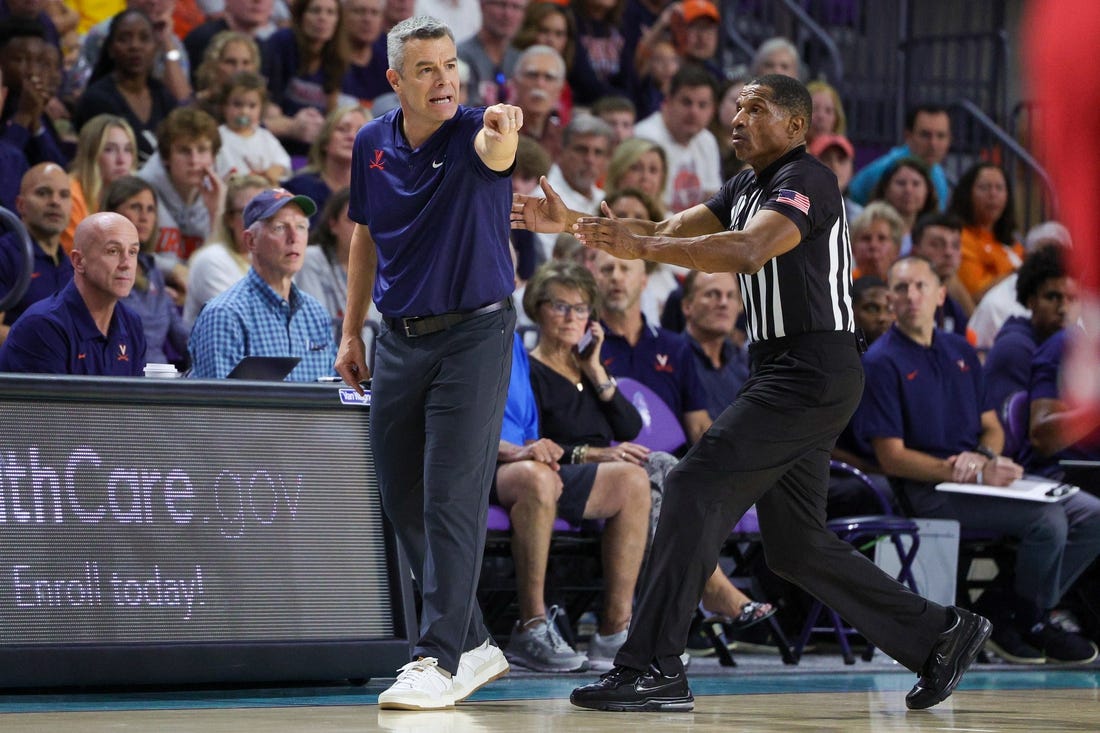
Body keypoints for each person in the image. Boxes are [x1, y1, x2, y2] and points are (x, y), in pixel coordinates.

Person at [513, 73, 988, 712]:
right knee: (794, 547)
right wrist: (574, 222)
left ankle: (652, 665)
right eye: (737, 105)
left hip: (813, 369)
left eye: (756, 107)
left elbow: (746, 250)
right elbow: (666, 229)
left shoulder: (809, 179)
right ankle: (942, 632)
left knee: (689, 484)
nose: (738, 115)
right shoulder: (743, 185)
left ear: (795, 126)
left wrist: (649, 242)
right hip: (782, 370)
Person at [334, 15, 522, 710]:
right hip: (398, 338)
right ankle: (472, 642)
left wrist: (504, 130)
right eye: (426, 70)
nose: (444, 80)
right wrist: (351, 333)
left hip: (475, 334)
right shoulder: (371, 143)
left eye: (450, 66)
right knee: (401, 497)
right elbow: (365, 235)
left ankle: (435, 657)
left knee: (450, 495)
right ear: (396, 81)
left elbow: (497, 151)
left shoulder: (476, 133)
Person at [854, 255, 1100, 666]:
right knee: (1049, 521)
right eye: (901, 288)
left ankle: (1006, 609)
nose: (911, 296)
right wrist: (958, 468)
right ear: (891, 300)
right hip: (928, 490)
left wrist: (985, 457)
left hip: (974, 478)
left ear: (940, 295)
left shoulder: (961, 350)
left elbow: (992, 427)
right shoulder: (880, 362)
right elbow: (890, 457)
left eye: (919, 286)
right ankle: (1027, 619)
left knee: (1091, 514)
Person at [496, 260, 650, 673]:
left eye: (580, 309)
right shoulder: (525, 361)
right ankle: (532, 625)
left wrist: (595, 367)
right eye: (560, 306)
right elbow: (526, 435)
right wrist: (583, 454)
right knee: (654, 478)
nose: (571, 317)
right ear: (538, 308)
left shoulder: (569, 359)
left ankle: (616, 631)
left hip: (556, 464)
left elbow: (631, 427)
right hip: (522, 465)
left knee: (652, 476)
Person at [188, 187, 336, 380]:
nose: (294, 237)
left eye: (301, 226)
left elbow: (333, 390)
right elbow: (218, 405)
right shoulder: (224, 315)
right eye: (280, 227)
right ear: (251, 241)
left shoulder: (316, 314)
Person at [0, 211, 146, 374]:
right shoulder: (42, 327)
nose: (127, 264)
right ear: (78, 261)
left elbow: (136, 399)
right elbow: (47, 400)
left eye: (132, 252)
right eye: (113, 251)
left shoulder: (132, 323)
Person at [102, 175, 190, 365]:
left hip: (162, 378)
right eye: (135, 207)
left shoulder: (151, 269)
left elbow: (181, 334)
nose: (144, 217)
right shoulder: (101, 269)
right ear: (112, 212)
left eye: (150, 210)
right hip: (122, 375)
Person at [73, 9, 179, 163]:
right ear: (110, 49)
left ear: (155, 47)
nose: (135, 46)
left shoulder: (162, 95)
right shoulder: (96, 99)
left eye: (144, 38)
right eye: (124, 38)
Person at [983, 245, 1075, 422]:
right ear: (1031, 301)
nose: (1064, 309)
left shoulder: (1074, 344)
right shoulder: (1014, 349)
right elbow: (1009, 438)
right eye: (1053, 297)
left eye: (1072, 298)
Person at [138, 106, 224, 262]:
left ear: (213, 157)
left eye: (202, 150)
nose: (194, 160)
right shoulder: (141, 189)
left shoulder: (221, 189)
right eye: (184, 151)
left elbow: (225, 260)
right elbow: (132, 254)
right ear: (166, 156)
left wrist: (216, 212)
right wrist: (173, 271)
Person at [0, 162, 73, 343]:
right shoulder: (5, 254)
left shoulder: (72, 265)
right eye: (43, 193)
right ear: (21, 204)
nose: (55, 201)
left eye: (64, 195)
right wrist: (43, 347)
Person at [969, 221, 1071, 351]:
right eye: (1052, 297)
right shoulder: (996, 304)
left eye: (1062, 255)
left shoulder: (1084, 300)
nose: (1052, 262)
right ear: (1026, 256)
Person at [634, 63, 721, 214]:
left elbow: (712, 198)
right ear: (667, 103)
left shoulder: (707, 140)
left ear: (712, 111)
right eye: (686, 102)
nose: (694, 112)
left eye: (702, 105)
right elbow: (649, 206)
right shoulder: (645, 138)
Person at [184, 173, 266, 324]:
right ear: (229, 219)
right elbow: (240, 323)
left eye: (265, 212)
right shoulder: (212, 261)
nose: (257, 222)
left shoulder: (277, 260)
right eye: (247, 212)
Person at [848, 103, 952, 209]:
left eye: (941, 136)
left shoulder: (938, 173)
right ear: (908, 136)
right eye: (925, 135)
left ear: (950, 139)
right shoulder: (886, 170)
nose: (933, 144)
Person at [282, 104, 368, 228]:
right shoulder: (299, 187)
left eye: (360, 132)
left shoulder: (376, 192)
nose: (351, 136)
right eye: (342, 129)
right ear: (325, 142)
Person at [61, 114, 137, 253]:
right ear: (91, 154)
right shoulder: (69, 194)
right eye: (109, 149)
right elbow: (81, 256)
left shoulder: (133, 198)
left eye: (127, 150)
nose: (121, 160)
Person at [948, 162, 1023, 302]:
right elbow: (974, 295)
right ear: (967, 193)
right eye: (984, 188)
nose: (993, 194)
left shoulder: (1012, 242)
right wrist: (1018, 274)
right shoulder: (960, 238)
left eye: (999, 188)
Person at [680, 270, 749, 420]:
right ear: (687, 306)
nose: (723, 303)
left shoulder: (747, 361)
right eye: (712, 294)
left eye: (730, 296)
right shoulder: (671, 360)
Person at [213, 70, 292, 184]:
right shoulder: (218, 137)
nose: (244, 112)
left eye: (252, 106)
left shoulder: (265, 137)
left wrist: (274, 171)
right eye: (237, 104)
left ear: (261, 108)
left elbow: (283, 163)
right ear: (224, 105)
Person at [457, 0, 526, 106]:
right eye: (501, 5)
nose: (508, 14)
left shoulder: (522, 62)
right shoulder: (459, 57)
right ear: (482, 5)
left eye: (516, 7)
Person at [869, 157, 938, 254]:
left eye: (916, 184)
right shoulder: (869, 227)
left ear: (928, 191)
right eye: (901, 183)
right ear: (886, 189)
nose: (908, 190)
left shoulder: (937, 231)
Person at [509, 44, 566, 160]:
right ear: (515, 82)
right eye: (532, 75)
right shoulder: (497, 128)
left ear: (560, 89)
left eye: (549, 77)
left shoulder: (563, 140)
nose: (540, 83)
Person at [850, 200, 902, 282]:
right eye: (866, 238)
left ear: (897, 249)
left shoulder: (906, 288)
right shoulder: (842, 286)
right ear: (852, 248)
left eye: (882, 238)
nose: (873, 245)